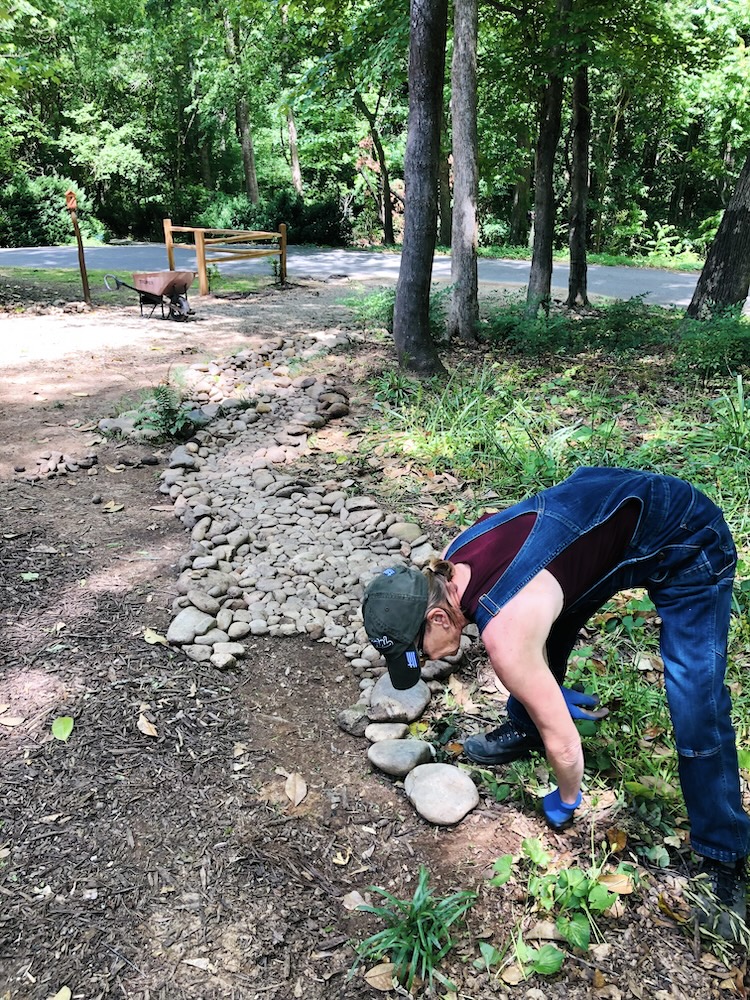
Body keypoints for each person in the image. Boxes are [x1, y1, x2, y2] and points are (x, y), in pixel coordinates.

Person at [362, 466, 750, 937]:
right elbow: (537, 592)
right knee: (549, 627)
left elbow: (565, 746)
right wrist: (543, 689)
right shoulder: (454, 560)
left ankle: (723, 852)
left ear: (439, 615)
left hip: (686, 535)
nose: (423, 661)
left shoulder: (503, 627)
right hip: (614, 517)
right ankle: (525, 726)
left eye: (418, 650)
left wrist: (567, 799)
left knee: (695, 701)